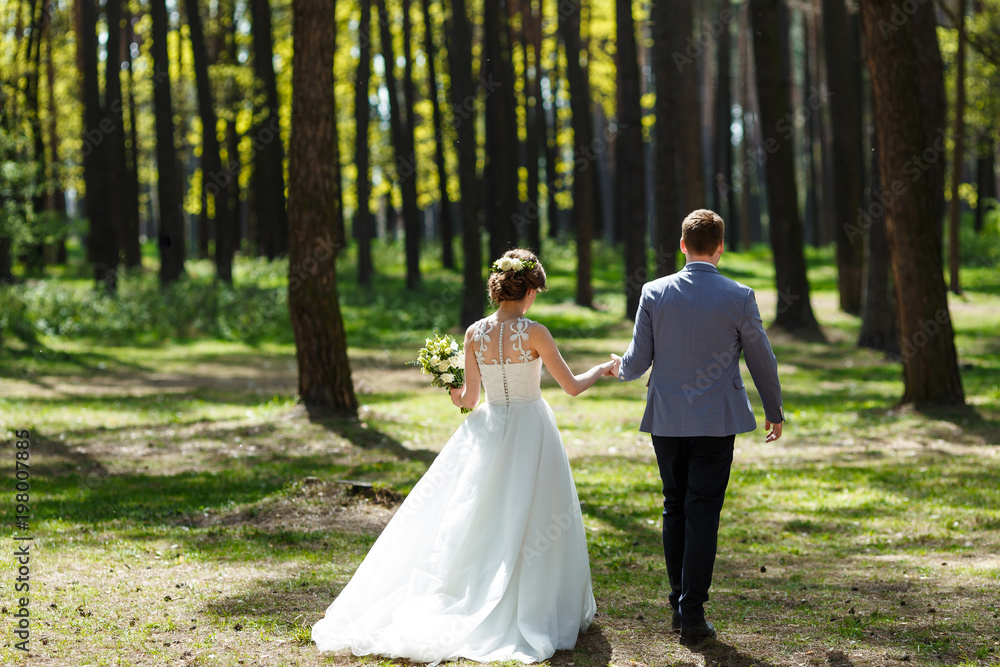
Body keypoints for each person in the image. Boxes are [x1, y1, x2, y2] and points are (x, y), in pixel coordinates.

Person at [312, 248, 617, 664]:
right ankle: (532, 601)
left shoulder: (475, 333)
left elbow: (469, 400)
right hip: (531, 427)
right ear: (528, 290)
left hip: (488, 429)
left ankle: (471, 588)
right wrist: (602, 369)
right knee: (536, 512)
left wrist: (447, 382)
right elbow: (572, 387)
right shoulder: (535, 332)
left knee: (479, 511)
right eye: (536, 291)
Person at [610, 209, 784, 646]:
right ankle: (692, 611)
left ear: (683, 245)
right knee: (702, 510)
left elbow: (636, 363)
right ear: (720, 247)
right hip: (715, 421)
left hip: (667, 420)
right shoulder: (740, 295)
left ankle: (678, 602)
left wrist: (617, 367)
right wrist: (774, 409)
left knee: (674, 506)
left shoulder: (654, 291)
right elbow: (762, 357)